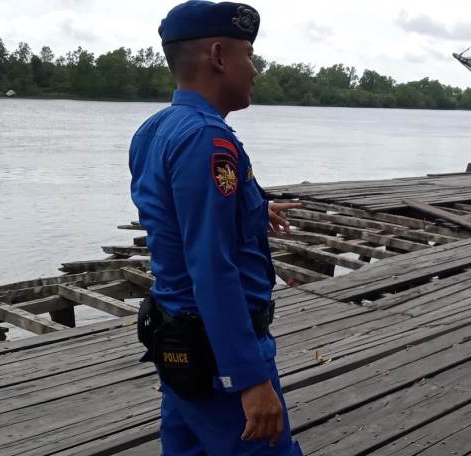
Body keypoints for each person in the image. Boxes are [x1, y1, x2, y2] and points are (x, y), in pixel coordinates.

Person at [129, 1, 302, 454]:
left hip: (180, 344)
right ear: (220, 56)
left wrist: (253, 208)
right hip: (219, 355)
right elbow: (210, 267)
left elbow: (175, 217)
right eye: (249, 55)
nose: (256, 70)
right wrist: (248, 379)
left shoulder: (155, 129)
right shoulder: (208, 139)